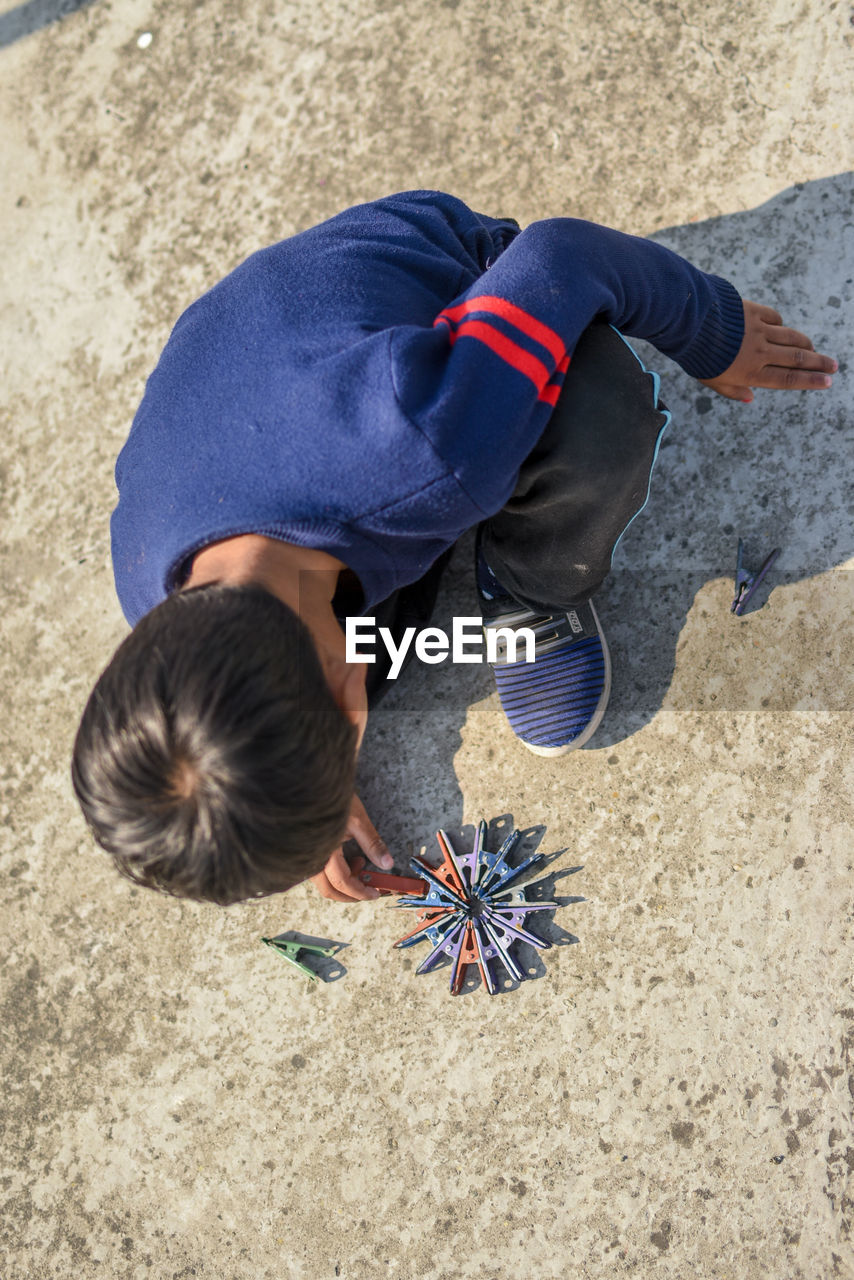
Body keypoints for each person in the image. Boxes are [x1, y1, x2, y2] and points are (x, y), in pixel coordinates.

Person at [70, 190, 837, 907]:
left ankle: (534, 589)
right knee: (380, 649)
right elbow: (216, 729)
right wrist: (262, 777)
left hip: (456, 290)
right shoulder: (150, 586)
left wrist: (708, 328)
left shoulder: (431, 444)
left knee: (598, 422)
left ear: (344, 701)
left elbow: (561, 255)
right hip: (268, 377)